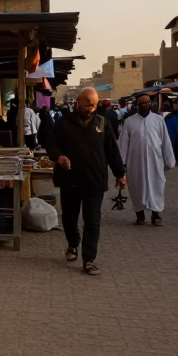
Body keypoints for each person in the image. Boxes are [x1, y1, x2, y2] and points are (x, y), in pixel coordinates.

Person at [46, 88, 126, 276]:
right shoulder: (63, 123)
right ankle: (73, 242)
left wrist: (120, 174)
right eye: (86, 105)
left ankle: (89, 259)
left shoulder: (102, 124)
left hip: (94, 181)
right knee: (69, 218)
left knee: (92, 221)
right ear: (77, 103)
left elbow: (112, 151)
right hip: (70, 180)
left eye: (93, 105)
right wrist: (59, 157)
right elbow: (52, 145)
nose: (89, 108)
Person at [119, 94, 175, 226]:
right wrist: (122, 164)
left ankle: (156, 215)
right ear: (137, 106)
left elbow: (165, 141)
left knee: (157, 186)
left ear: (151, 105)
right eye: (141, 104)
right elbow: (123, 144)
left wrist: (169, 160)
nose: (144, 106)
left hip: (156, 162)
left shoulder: (159, 120)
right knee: (137, 187)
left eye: (147, 103)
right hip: (135, 163)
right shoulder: (129, 121)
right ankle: (140, 215)